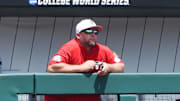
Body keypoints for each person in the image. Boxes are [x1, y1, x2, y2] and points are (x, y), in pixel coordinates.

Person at [45, 19, 125, 101]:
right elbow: (52, 67)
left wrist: (108, 67)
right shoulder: (69, 48)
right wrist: (81, 68)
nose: (93, 34)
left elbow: (121, 66)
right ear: (78, 35)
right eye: (89, 31)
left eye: (96, 32)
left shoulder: (103, 49)